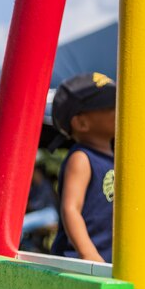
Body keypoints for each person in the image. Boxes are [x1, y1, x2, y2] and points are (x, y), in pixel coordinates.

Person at [50, 73, 117, 263]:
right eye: (110, 105)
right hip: (77, 263)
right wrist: (88, 255)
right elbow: (71, 209)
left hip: (105, 262)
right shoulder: (82, 158)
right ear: (81, 123)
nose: (119, 109)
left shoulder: (116, 159)